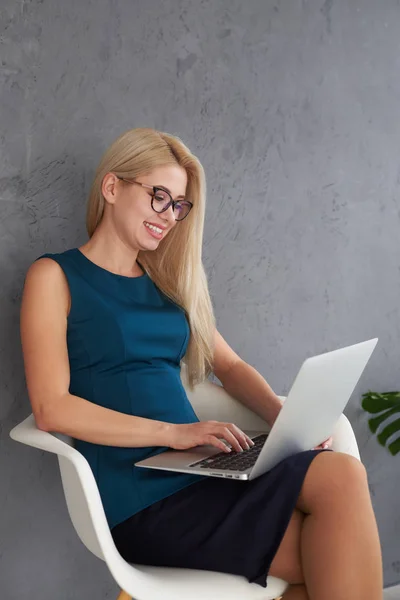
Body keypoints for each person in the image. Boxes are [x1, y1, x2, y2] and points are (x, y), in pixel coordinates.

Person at [20, 127, 383, 599]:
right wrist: (175, 433)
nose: (169, 216)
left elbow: (228, 367)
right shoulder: (55, 276)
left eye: (178, 205)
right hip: (138, 497)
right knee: (331, 556)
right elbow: (52, 409)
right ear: (112, 188)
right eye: (158, 197)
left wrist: (286, 423)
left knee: (341, 474)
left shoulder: (168, 286)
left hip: (198, 470)